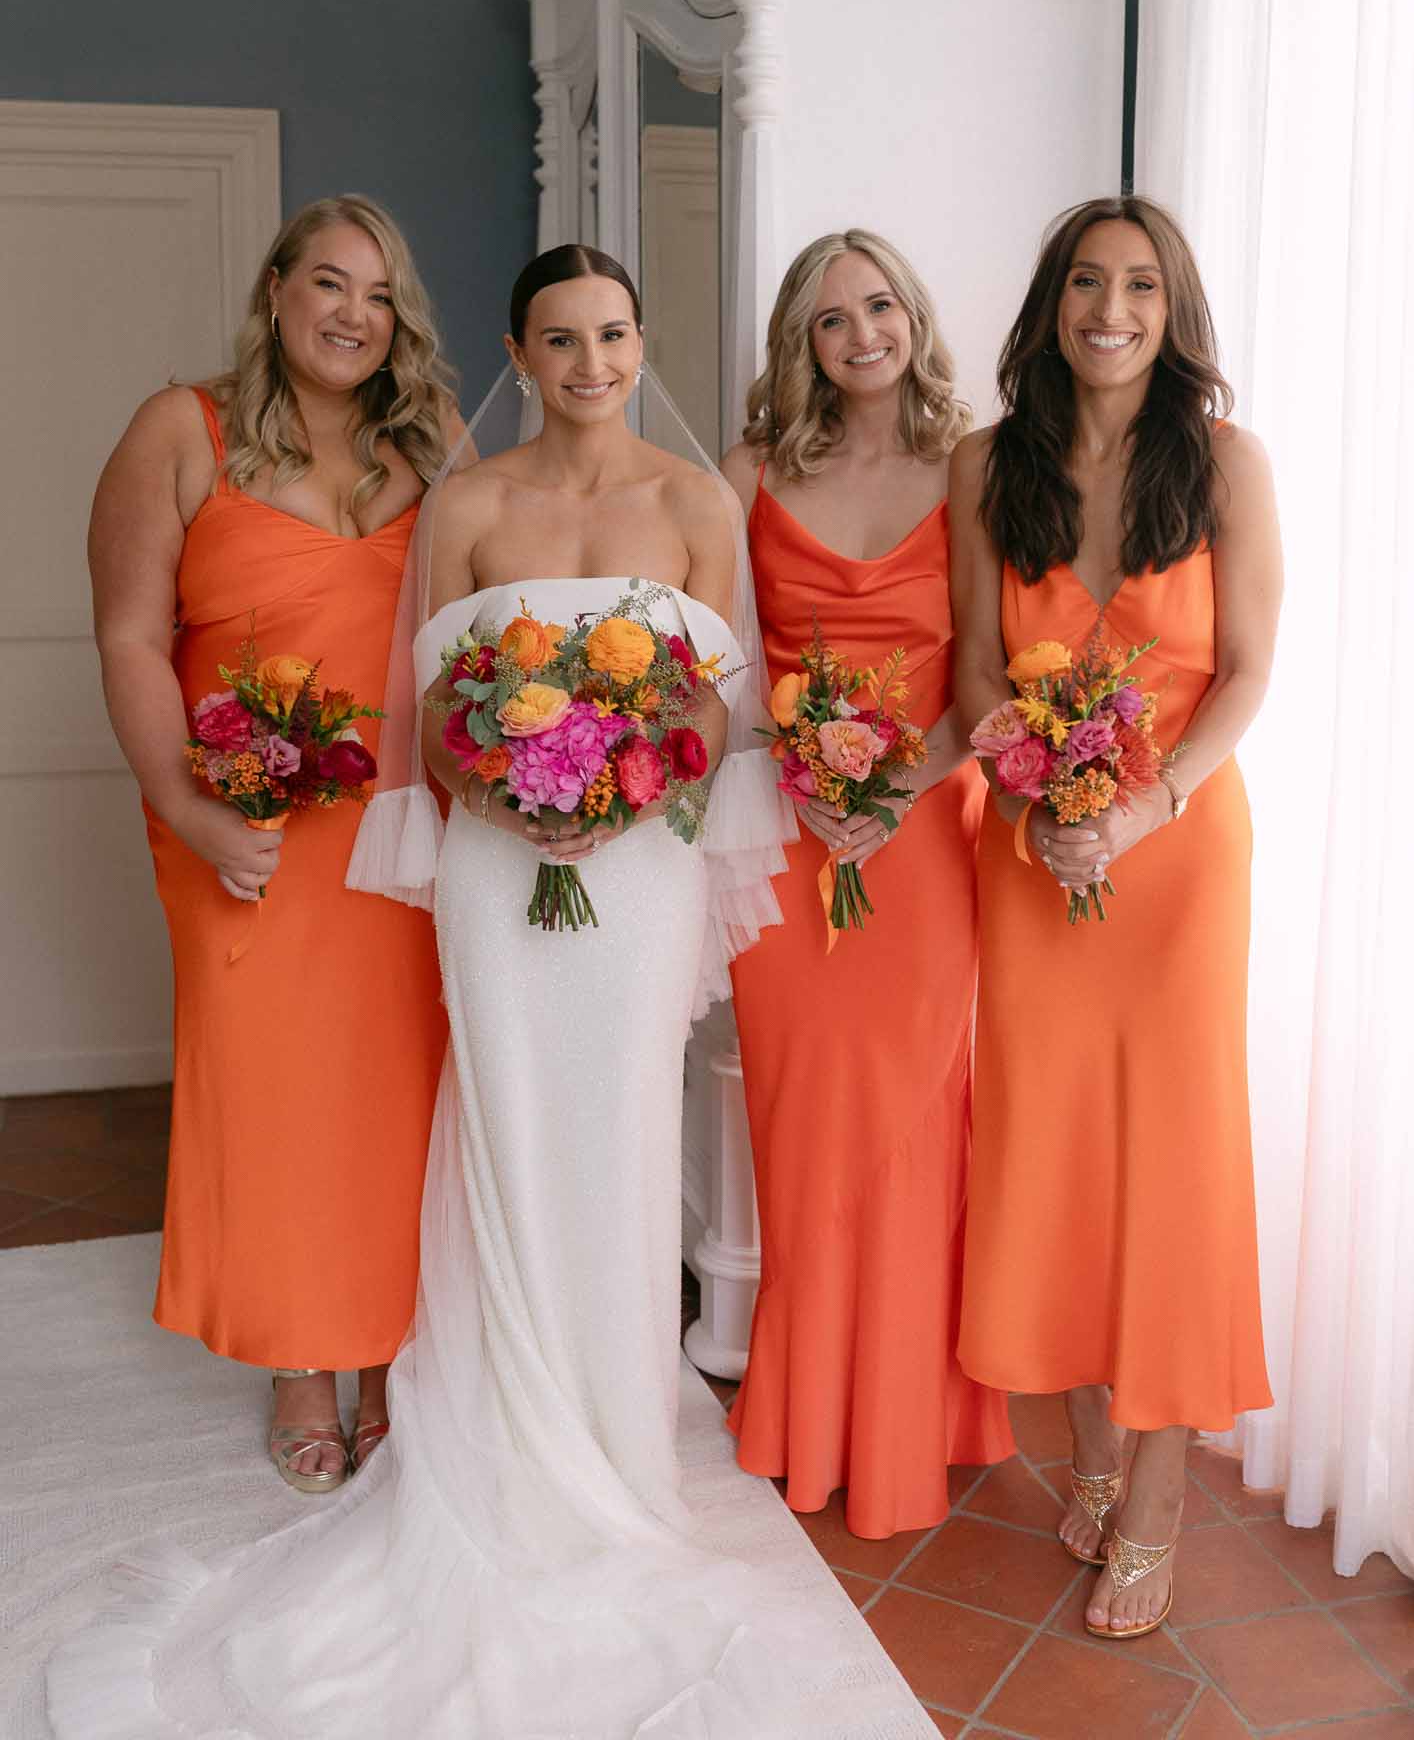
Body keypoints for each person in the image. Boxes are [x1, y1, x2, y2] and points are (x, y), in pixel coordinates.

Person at [51, 246, 911, 1737]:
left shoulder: (697, 503)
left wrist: (632, 785)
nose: (592, 362)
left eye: (616, 334)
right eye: (563, 338)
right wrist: (508, 792)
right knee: (504, 1124)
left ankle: (618, 1439)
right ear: (520, 348)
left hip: (637, 871)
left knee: (621, 1131)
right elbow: (422, 710)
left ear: (642, 345)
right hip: (498, 871)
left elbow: (720, 705)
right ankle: (490, 1423)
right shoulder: (465, 498)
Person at [88, 194, 463, 1492]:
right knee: (275, 1088)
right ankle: (304, 1359)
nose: (353, 315)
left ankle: (393, 1355)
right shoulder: (177, 431)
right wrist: (193, 813)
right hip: (242, 817)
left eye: (378, 295)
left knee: (400, 1087)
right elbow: (131, 637)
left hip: (404, 821)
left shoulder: (435, 448)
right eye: (328, 285)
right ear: (275, 291)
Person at [950, 195, 1282, 1639]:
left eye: (1139, 285)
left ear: (1172, 308)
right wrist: (1028, 801)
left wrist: (1145, 809)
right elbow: (972, 668)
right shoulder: (982, 465)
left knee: (1172, 1167)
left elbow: (1248, 673)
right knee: (1056, 1156)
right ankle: (1085, 1442)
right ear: (1049, 304)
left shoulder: (1219, 464)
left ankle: (1155, 1495)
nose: (1110, 308)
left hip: (1179, 858)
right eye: (1086, 282)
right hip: (1034, 864)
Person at [720, 229, 1013, 1538]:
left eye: (879, 306)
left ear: (913, 315)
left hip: (922, 837)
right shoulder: (746, 475)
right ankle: (801, 1414)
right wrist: (802, 774)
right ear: (802, 340)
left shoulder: (972, 468)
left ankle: (910, 1424)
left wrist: (892, 793)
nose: (861, 335)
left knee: (909, 1131)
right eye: (831, 318)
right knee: (798, 1126)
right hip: (786, 838)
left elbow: (982, 670)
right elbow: (725, 670)